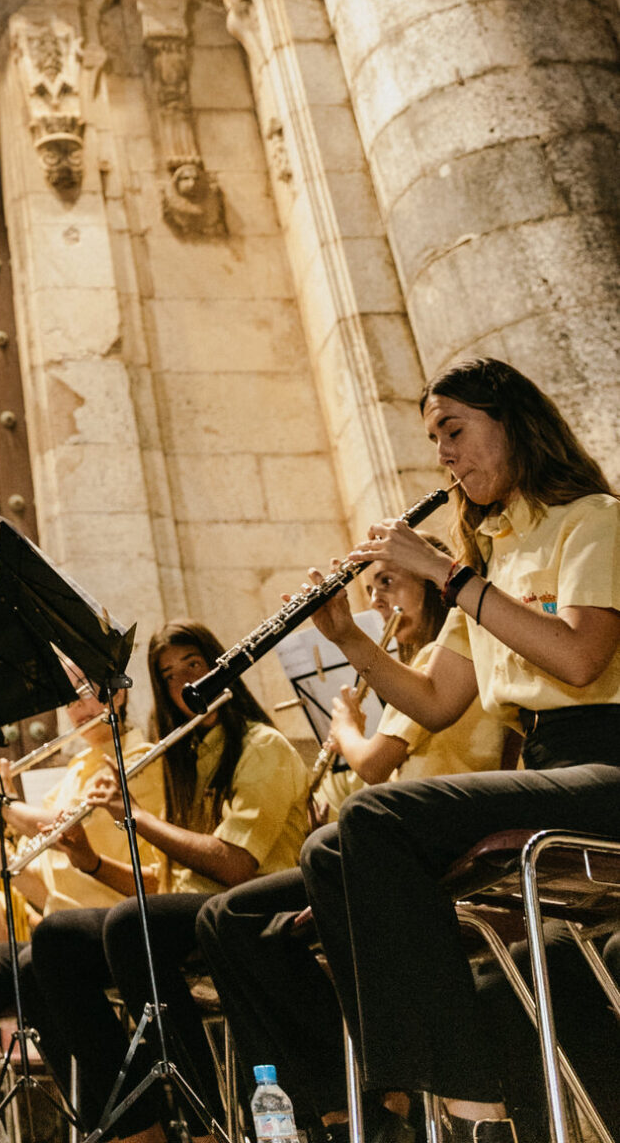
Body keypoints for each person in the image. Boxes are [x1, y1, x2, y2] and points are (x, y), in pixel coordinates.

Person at [301, 358, 620, 1143]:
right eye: (433, 438)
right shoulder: (496, 555)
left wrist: (446, 575)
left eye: (454, 430)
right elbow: (435, 702)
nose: (443, 454)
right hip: (547, 766)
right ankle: (412, 1099)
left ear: (510, 423)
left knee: (373, 818)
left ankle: (472, 1104)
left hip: (607, 761)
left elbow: (579, 659)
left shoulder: (594, 519)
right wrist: (346, 639)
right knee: (328, 852)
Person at [198, 549, 511, 1139]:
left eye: (389, 582)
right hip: (398, 836)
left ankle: (398, 1098)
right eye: (370, 588)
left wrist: (343, 727)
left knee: (336, 848)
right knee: (229, 917)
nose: (377, 600)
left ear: (433, 586)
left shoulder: (434, 662)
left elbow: (373, 764)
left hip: (451, 843)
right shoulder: (407, 671)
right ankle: (332, 1111)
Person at [28, 621, 309, 1137]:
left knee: (132, 926)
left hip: (257, 905)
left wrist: (135, 817)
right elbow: (165, 886)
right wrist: (90, 861)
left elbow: (233, 865)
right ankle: (140, 1130)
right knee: (55, 940)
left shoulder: (260, 744)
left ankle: (206, 1122)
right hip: (196, 911)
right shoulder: (186, 759)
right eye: (168, 674)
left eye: (193, 666)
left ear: (221, 667)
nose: (182, 681)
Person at [0, 676, 164, 1120]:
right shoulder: (73, 771)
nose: (77, 708)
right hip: (62, 934)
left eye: (87, 692)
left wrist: (4, 804)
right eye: (69, 697)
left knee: (43, 955)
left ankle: (124, 1122)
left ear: (118, 691)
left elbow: (65, 828)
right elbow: (42, 885)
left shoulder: (138, 757)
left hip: (121, 925)